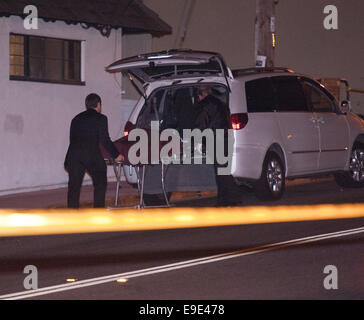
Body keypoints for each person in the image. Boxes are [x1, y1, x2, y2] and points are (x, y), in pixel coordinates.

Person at [64, 93, 124, 208]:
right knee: (100, 183)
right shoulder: (101, 118)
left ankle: (71, 216)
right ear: (98, 104)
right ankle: (98, 213)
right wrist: (117, 155)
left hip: (74, 156)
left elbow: (72, 139)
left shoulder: (76, 119)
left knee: (74, 188)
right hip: (91, 155)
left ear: (87, 105)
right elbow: (105, 140)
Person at [194, 85, 241, 206]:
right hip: (226, 138)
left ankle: (234, 198)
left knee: (221, 172)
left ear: (201, 95)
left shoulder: (205, 105)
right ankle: (224, 200)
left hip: (216, 140)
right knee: (223, 170)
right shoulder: (220, 103)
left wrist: (196, 139)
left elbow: (201, 124)